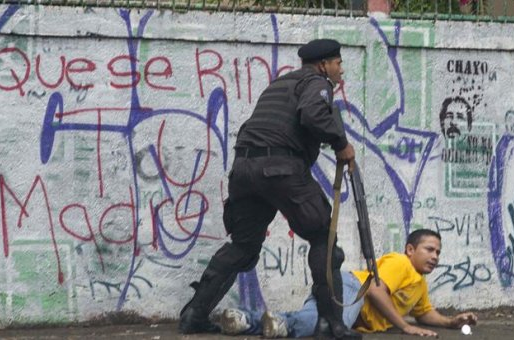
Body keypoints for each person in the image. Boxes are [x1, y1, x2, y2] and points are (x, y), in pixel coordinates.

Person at [178, 38, 359, 340]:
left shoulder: (280, 84)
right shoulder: (317, 82)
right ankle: (331, 325)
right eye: (338, 63)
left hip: (244, 171)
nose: (341, 70)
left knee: (243, 246)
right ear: (323, 64)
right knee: (323, 238)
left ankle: (194, 314)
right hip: (280, 169)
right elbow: (313, 114)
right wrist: (341, 144)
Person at [216, 229, 478, 338]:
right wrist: (404, 328)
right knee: (315, 324)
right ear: (410, 249)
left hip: (352, 304)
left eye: (438, 252)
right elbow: (375, 289)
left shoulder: (419, 284)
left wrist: (451, 322)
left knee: (314, 321)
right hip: (353, 289)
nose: (435, 256)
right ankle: (271, 322)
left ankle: (244, 320)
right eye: (429, 249)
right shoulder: (401, 264)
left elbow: (424, 313)